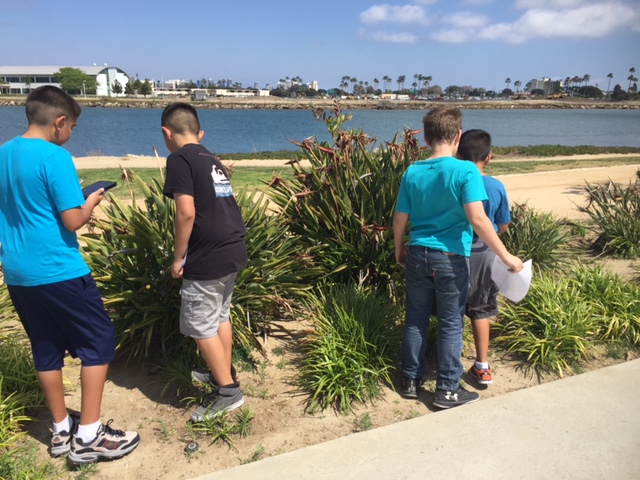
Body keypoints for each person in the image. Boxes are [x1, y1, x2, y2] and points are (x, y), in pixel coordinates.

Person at [0, 86, 140, 465]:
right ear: (59, 122)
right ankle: (90, 435)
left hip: (18, 271)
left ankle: (61, 429)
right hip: (58, 269)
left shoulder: (4, 153)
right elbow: (72, 220)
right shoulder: (55, 157)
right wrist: (90, 200)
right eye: (72, 127)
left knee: (46, 346)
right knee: (98, 341)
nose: (71, 133)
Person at [393, 106, 523, 409]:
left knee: (416, 318)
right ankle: (448, 390)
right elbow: (479, 220)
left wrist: (399, 249)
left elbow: (400, 218)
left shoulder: (413, 171)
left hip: (417, 253)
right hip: (451, 258)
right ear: (457, 136)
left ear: (426, 138)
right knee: (451, 323)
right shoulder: (465, 170)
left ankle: (410, 379)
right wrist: (507, 258)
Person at [161, 102, 246, 421]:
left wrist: (178, 257)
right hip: (232, 249)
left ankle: (227, 392)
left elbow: (185, 212)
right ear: (200, 133)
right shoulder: (212, 158)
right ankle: (224, 374)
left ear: (166, 133)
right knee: (220, 316)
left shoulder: (179, 159)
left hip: (207, 255)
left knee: (200, 325)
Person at [457, 129, 511, 385]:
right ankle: (482, 365)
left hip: (455, 252)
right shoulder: (495, 186)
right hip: (485, 256)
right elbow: (502, 227)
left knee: (452, 311)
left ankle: (450, 363)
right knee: (481, 311)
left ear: (457, 153)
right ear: (488, 158)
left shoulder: (455, 180)